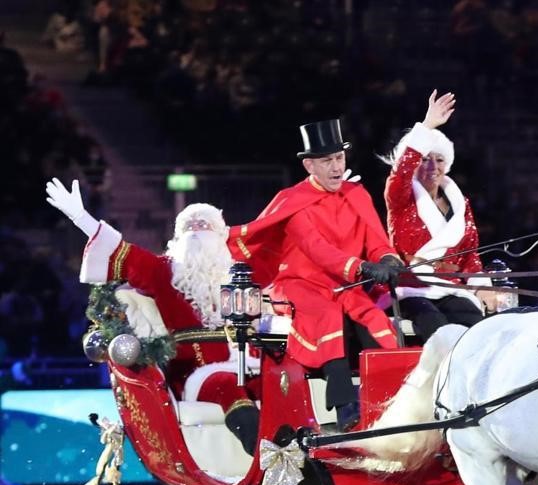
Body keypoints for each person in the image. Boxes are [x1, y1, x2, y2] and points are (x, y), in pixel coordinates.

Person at [44, 178, 259, 453]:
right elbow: (121, 251)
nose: (196, 231)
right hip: (195, 369)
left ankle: (307, 458)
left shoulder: (239, 274)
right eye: (188, 227)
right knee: (228, 386)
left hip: (247, 362)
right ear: (177, 238)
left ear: (220, 236)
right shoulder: (163, 271)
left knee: (280, 382)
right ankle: (263, 458)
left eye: (204, 225)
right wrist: (81, 217)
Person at [227, 118, 403, 431]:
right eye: (326, 161)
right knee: (326, 315)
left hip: (344, 283)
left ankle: (391, 400)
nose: (336, 167)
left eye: (339, 158)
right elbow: (318, 250)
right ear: (309, 165)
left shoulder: (358, 194)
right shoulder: (293, 202)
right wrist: (363, 267)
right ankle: (345, 409)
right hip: (299, 284)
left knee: (374, 319)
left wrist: (388, 259)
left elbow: (376, 240)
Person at [383, 90, 493, 341]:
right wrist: (428, 125)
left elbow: (470, 255)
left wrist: (481, 288)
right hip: (412, 289)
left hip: (451, 288)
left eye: (439, 159)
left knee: (477, 327)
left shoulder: (460, 203)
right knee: (437, 328)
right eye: (424, 160)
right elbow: (400, 173)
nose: (432, 167)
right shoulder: (401, 197)